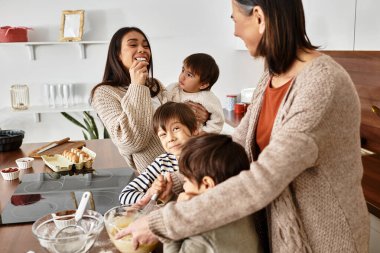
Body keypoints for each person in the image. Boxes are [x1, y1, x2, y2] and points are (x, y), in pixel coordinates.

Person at [116, 1, 370, 252]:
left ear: (258, 17)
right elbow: (239, 145)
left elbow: (265, 178)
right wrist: (180, 180)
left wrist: (163, 222)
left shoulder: (322, 84)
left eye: (235, 20)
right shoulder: (272, 75)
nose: (235, 31)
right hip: (280, 232)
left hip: (322, 240)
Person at [90, 27, 208, 173]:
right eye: (133, 45)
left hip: (190, 164)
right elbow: (132, 142)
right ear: (117, 54)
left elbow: (181, 121)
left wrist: (202, 116)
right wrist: (137, 86)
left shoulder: (155, 84)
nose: (142, 50)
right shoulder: (104, 93)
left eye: (146, 46)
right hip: (156, 177)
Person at [164, 133, 262, 253]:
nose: (183, 186)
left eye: (186, 181)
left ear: (207, 184)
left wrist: (173, 215)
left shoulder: (203, 234)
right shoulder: (243, 206)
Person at [119, 102, 199, 205]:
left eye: (176, 129)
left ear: (194, 129)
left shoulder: (207, 157)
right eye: (163, 134)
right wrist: (152, 194)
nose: (170, 138)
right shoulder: (163, 162)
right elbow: (125, 195)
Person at [167, 53, 224, 134]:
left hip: (195, 139)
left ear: (203, 84)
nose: (182, 76)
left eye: (189, 75)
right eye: (183, 70)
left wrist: (203, 134)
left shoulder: (207, 98)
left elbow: (218, 121)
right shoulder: (173, 88)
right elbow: (163, 105)